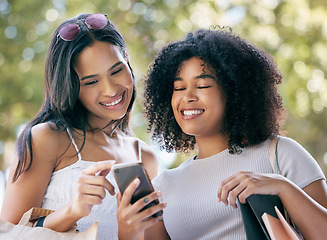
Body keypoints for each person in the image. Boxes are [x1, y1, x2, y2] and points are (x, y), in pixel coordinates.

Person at [131, 28, 327, 239]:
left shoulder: (281, 153)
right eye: (178, 88)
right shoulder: (163, 186)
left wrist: (283, 187)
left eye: (202, 85)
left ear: (233, 91)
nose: (187, 97)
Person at [0, 13, 165, 240]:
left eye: (116, 70)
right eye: (91, 81)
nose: (110, 90)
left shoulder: (144, 156)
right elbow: (9, 233)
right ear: (71, 86)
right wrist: (73, 211)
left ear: (127, 59)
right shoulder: (46, 139)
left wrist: (128, 233)